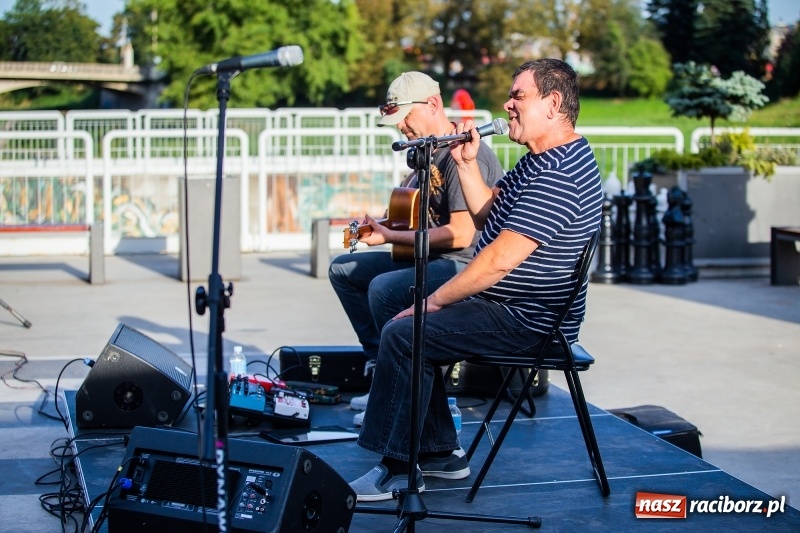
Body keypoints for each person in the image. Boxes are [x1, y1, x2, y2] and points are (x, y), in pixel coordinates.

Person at [348, 58, 603, 501]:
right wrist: (466, 165)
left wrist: (435, 301)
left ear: (553, 103)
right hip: (513, 308)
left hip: (531, 320)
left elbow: (499, 259)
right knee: (407, 327)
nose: (506, 104)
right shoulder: (539, 161)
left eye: (517, 95)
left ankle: (398, 468)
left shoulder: (561, 171)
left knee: (407, 332)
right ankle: (441, 453)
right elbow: (490, 216)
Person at [328, 71, 504, 424]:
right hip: (426, 256)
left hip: (462, 264)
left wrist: (392, 237)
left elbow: (461, 235)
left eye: (405, 117)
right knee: (343, 270)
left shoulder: (466, 154)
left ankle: (402, 391)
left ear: (434, 104)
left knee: (382, 289)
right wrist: (383, 226)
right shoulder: (421, 154)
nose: (400, 128)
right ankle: (383, 369)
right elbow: (414, 215)